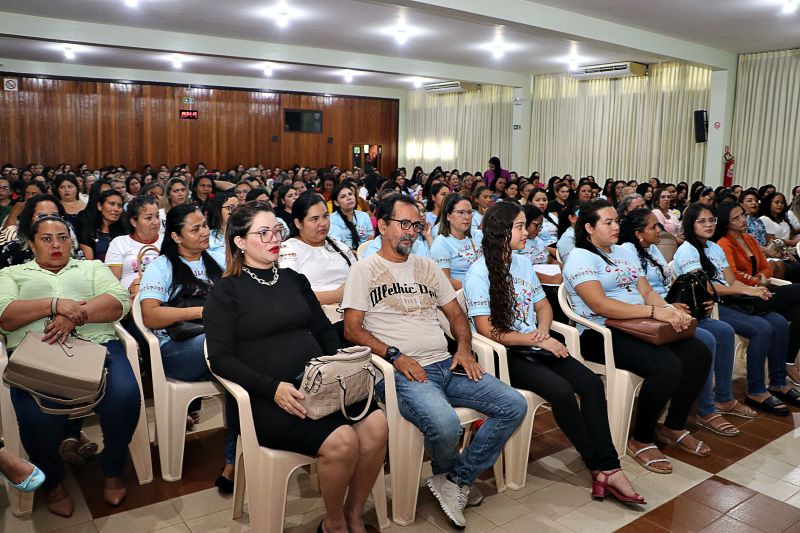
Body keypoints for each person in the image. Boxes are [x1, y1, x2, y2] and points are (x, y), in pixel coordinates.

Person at [342, 194, 526, 529]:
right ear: (382, 226)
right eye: (403, 224)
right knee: (446, 425)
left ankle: (454, 479)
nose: (410, 232)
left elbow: (456, 315)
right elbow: (352, 329)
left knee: (513, 404)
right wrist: (394, 355)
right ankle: (452, 477)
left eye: (416, 225)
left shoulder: (426, 266)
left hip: (447, 363)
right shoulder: (363, 270)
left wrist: (464, 348)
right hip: (402, 372)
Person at [204, 201, 387, 533]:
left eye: (276, 230)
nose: (274, 238)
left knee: (377, 426)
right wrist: (271, 388)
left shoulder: (293, 279)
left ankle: (354, 512)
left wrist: (337, 368)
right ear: (240, 241)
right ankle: (333, 524)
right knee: (343, 440)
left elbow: (322, 331)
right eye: (263, 232)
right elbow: (218, 359)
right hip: (269, 397)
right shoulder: (226, 292)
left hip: (319, 384)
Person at [464, 201, 644, 504]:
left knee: (590, 383)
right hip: (506, 353)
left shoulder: (521, 262)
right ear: (500, 231)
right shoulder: (478, 272)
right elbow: (487, 331)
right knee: (561, 391)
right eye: (520, 226)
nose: (528, 231)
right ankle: (602, 467)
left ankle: (607, 466)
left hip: (536, 344)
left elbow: (543, 306)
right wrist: (532, 339)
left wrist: (543, 331)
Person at [0, 215, 138, 516]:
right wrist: (53, 304)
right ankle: (53, 482)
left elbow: (118, 303)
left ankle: (112, 468)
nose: (56, 244)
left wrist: (71, 314)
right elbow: (6, 316)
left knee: (125, 397)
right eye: (46, 238)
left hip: (98, 349)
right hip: (37, 356)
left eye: (62, 237)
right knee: (37, 418)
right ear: (31, 244)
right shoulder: (12, 273)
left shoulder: (91, 267)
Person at [563, 199, 712, 473]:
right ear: (588, 228)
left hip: (641, 323)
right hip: (601, 332)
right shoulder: (580, 257)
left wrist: (668, 310)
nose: (615, 226)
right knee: (667, 366)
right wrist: (655, 313)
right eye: (607, 222)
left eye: (615, 221)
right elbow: (600, 305)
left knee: (699, 353)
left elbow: (646, 291)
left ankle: (673, 426)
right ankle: (641, 438)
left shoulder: (624, 252)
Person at [619, 208, 754, 437]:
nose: (659, 229)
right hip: (653, 312)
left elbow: (669, 281)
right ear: (638, 233)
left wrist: (699, 299)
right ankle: (706, 409)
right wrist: (668, 307)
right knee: (705, 339)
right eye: (653, 226)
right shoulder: (626, 251)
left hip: (671, 306)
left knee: (723, 330)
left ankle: (724, 397)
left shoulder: (652, 249)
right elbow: (637, 292)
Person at [138, 204, 237, 490]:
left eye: (205, 225)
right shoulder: (162, 266)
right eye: (195, 229)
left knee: (239, 373)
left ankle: (233, 460)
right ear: (177, 237)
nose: (205, 232)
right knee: (234, 351)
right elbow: (150, 315)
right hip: (178, 350)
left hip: (218, 346)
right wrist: (202, 312)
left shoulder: (217, 259)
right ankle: (237, 457)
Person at [674, 203, 798, 416]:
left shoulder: (713, 247)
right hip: (709, 306)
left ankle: (778, 382)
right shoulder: (687, 251)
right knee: (762, 329)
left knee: (777, 322)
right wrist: (748, 292)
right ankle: (756, 390)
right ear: (690, 224)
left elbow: (730, 280)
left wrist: (754, 289)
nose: (708, 225)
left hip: (730, 300)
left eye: (711, 220)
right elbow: (705, 288)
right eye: (702, 221)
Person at [714, 202, 800, 387]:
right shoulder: (723, 243)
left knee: (799, 312)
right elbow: (734, 276)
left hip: (762, 288)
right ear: (726, 223)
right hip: (745, 296)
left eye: (743, 215)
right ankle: (776, 374)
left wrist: (761, 276)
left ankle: (786, 366)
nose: (743, 220)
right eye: (736, 218)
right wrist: (756, 282)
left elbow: (766, 266)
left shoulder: (749, 238)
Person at [279, 192, 356, 309]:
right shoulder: (289, 250)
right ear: (298, 223)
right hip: (316, 318)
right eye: (314, 219)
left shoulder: (339, 246)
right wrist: (336, 295)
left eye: (325, 216)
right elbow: (290, 295)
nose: (323, 223)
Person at [430, 194, 484, 290]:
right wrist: (475, 289)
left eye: (469, 212)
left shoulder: (478, 235)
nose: (467, 217)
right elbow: (445, 280)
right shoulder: (441, 243)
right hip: (460, 295)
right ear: (448, 216)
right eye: (461, 212)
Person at [329, 183, 373, 251]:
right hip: (345, 255)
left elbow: (370, 237)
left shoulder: (364, 216)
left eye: (350, 194)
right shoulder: (332, 219)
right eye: (343, 196)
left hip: (364, 254)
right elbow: (337, 244)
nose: (349, 198)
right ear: (336, 203)